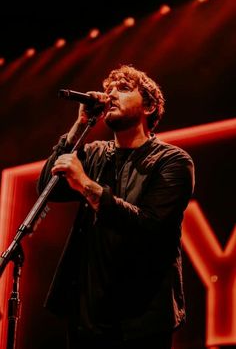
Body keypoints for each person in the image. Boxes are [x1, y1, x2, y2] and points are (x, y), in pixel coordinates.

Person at [38, 64, 195, 349]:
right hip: (87, 317)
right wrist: (79, 126)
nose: (110, 94)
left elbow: (149, 224)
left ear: (148, 106)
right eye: (108, 89)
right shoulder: (95, 152)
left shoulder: (173, 161)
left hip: (141, 321)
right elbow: (48, 188)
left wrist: (85, 183)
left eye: (122, 89)